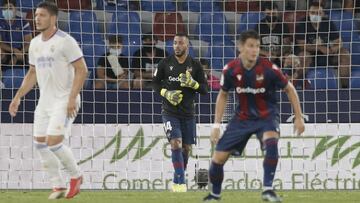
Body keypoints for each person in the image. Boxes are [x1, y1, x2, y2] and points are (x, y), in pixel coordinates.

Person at [203, 30, 305, 202]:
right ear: (241, 47)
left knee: (270, 141)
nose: (255, 50)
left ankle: (268, 190)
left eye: (257, 46)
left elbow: (290, 89)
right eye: (251, 46)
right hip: (241, 118)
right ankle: (215, 195)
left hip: (266, 116)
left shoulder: (269, 69)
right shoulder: (231, 70)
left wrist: (299, 116)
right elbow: (223, 95)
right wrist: (216, 125)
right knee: (218, 158)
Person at [8, 2, 87, 199]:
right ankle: (57, 185)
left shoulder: (66, 41)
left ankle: (76, 176)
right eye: (36, 15)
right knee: (40, 143)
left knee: (53, 142)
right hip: (45, 102)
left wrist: (71, 98)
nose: (37, 19)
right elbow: (32, 73)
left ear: (53, 18)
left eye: (42, 15)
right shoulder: (34, 43)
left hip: (64, 100)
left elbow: (82, 70)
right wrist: (17, 97)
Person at [152, 33, 208, 192]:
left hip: (188, 113)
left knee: (186, 148)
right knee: (175, 142)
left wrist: (193, 84)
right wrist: (166, 93)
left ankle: (177, 180)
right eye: (175, 43)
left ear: (187, 45)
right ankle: (181, 183)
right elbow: (154, 84)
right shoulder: (164, 63)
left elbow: (205, 89)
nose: (177, 46)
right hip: (169, 112)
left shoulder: (195, 65)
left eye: (180, 43)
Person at [295, 1, 350, 88]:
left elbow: (339, 42)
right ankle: (300, 86)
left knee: (344, 54)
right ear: (308, 13)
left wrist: (334, 48)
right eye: (313, 12)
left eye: (318, 13)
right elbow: (302, 45)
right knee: (303, 56)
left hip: (327, 55)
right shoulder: (302, 23)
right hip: (310, 56)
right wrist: (320, 48)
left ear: (323, 13)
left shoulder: (328, 22)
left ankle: (344, 87)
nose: (315, 15)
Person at [0, 0, 32, 71]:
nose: (7, 10)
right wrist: (14, 51)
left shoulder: (23, 22)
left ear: (15, 9)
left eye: (10, 8)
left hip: (22, 51)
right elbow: (0, 43)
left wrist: (19, 54)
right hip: (7, 51)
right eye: (5, 9)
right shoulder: (0, 23)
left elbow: (28, 42)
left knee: (33, 54)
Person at [257, 1, 291, 67]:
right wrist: (267, 54)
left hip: (279, 55)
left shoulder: (283, 25)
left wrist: (276, 53)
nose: (271, 15)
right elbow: (255, 46)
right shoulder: (259, 26)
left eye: (273, 13)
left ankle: (286, 76)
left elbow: (287, 45)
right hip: (264, 55)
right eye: (268, 13)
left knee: (288, 57)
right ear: (264, 13)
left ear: (277, 12)